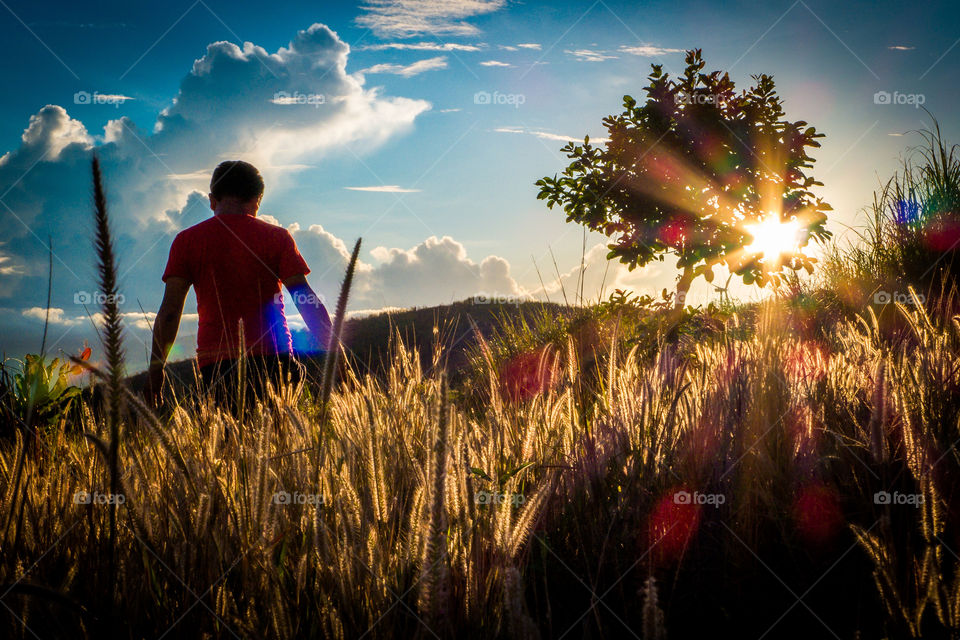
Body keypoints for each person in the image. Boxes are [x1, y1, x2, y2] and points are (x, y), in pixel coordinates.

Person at [144, 160, 331, 406]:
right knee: (281, 440)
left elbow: (170, 313)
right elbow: (304, 298)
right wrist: (335, 354)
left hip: (217, 366)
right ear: (257, 200)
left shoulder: (186, 241)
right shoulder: (278, 238)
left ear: (212, 200)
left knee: (229, 442)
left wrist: (156, 372)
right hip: (274, 359)